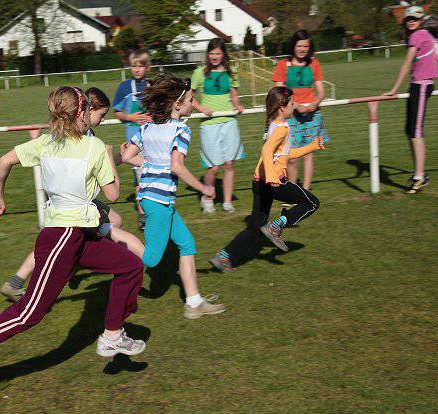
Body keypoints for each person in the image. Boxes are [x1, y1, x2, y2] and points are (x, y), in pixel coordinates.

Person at [0, 87, 146, 397]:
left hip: (79, 235)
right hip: (62, 238)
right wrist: (117, 160)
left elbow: (5, 160)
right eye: (89, 110)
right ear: (81, 113)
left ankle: (112, 335)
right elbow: (113, 194)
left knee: (130, 265)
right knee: (29, 313)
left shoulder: (46, 142)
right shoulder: (94, 147)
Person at [0, 87, 144, 302]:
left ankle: (19, 280)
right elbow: (110, 186)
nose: (103, 120)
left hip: (71, 199)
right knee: (100, 229)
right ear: (87, 111)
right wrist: (112, 158)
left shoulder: (80, 134)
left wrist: (119, 157)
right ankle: (148, 262)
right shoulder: (84, 136)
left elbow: (100, 166)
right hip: (75, 201)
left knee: (111, 222)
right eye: (101, 114)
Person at [122, 75, 226, 319]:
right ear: (177, 105)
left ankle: (194, 303)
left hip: (155, 199)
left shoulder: (147, 127)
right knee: (152, 259)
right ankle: (110, 235)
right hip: (159, 202)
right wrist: (203, 188)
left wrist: (152, 165)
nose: (193, 104)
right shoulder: (181, 130)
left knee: (187, 244)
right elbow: (177, 166)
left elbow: (127, 157)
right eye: (191, 100)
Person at [210, 87, 324, 273]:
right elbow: (266, 150)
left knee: (256, 227)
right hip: (274, 181)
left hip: (259, 181)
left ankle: (223, 257)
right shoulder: (281, 129)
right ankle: (277, 226)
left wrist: (312, 146)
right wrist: (272, 176)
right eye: (292, 103)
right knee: (312, 203)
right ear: (282, 107)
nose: (294, 106)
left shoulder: (274, 124)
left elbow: (285, 154)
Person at [383, 5, 438, 194]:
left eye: (415, 19)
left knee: (416, 131)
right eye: (408, 19)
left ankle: (419, 177)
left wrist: (393, 89)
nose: (411, 22)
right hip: (418, 86)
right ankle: (420, 173)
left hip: (421, 85)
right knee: (410, 130)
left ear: (421, 21)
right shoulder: (427, 36)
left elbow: (406, 64)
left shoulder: (418, 35)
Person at [272, 30, 329, 203]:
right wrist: (295, 106)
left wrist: (315, 103)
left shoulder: (314, 64)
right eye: (299, 45)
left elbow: (321, 91)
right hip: (291, 116)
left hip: (312, 115)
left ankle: (305, 193)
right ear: (293, 46)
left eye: (306, 46)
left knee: (308, 154)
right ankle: (293, 192)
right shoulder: (283, 65)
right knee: (291, 157)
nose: (303, 49)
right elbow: (279, 92)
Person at [191, 38, 245, 213]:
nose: (214, 57)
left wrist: (237, 105)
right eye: (211, 53)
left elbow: (234, 95)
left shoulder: (231, 72)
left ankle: (227, 202)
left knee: (229, 164)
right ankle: (207, 198)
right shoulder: (199, 73)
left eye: (218, 53)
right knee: (213, 167)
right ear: (208, 54)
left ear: (223, 55)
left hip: (229, 122)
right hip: (209, 125)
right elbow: (189, 98)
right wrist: (201, 109)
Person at [113, 49, 152, 230]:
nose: (137, 69)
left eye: (141, 66)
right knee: (140, 178)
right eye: (134, 66)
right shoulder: (124, 87)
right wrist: (130, 117)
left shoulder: (153, 86)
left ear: (147, 67)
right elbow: (117, 112)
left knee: (153, 175)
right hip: (134, 140)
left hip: (153, 138)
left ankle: (155, 210)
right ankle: (142, 215)